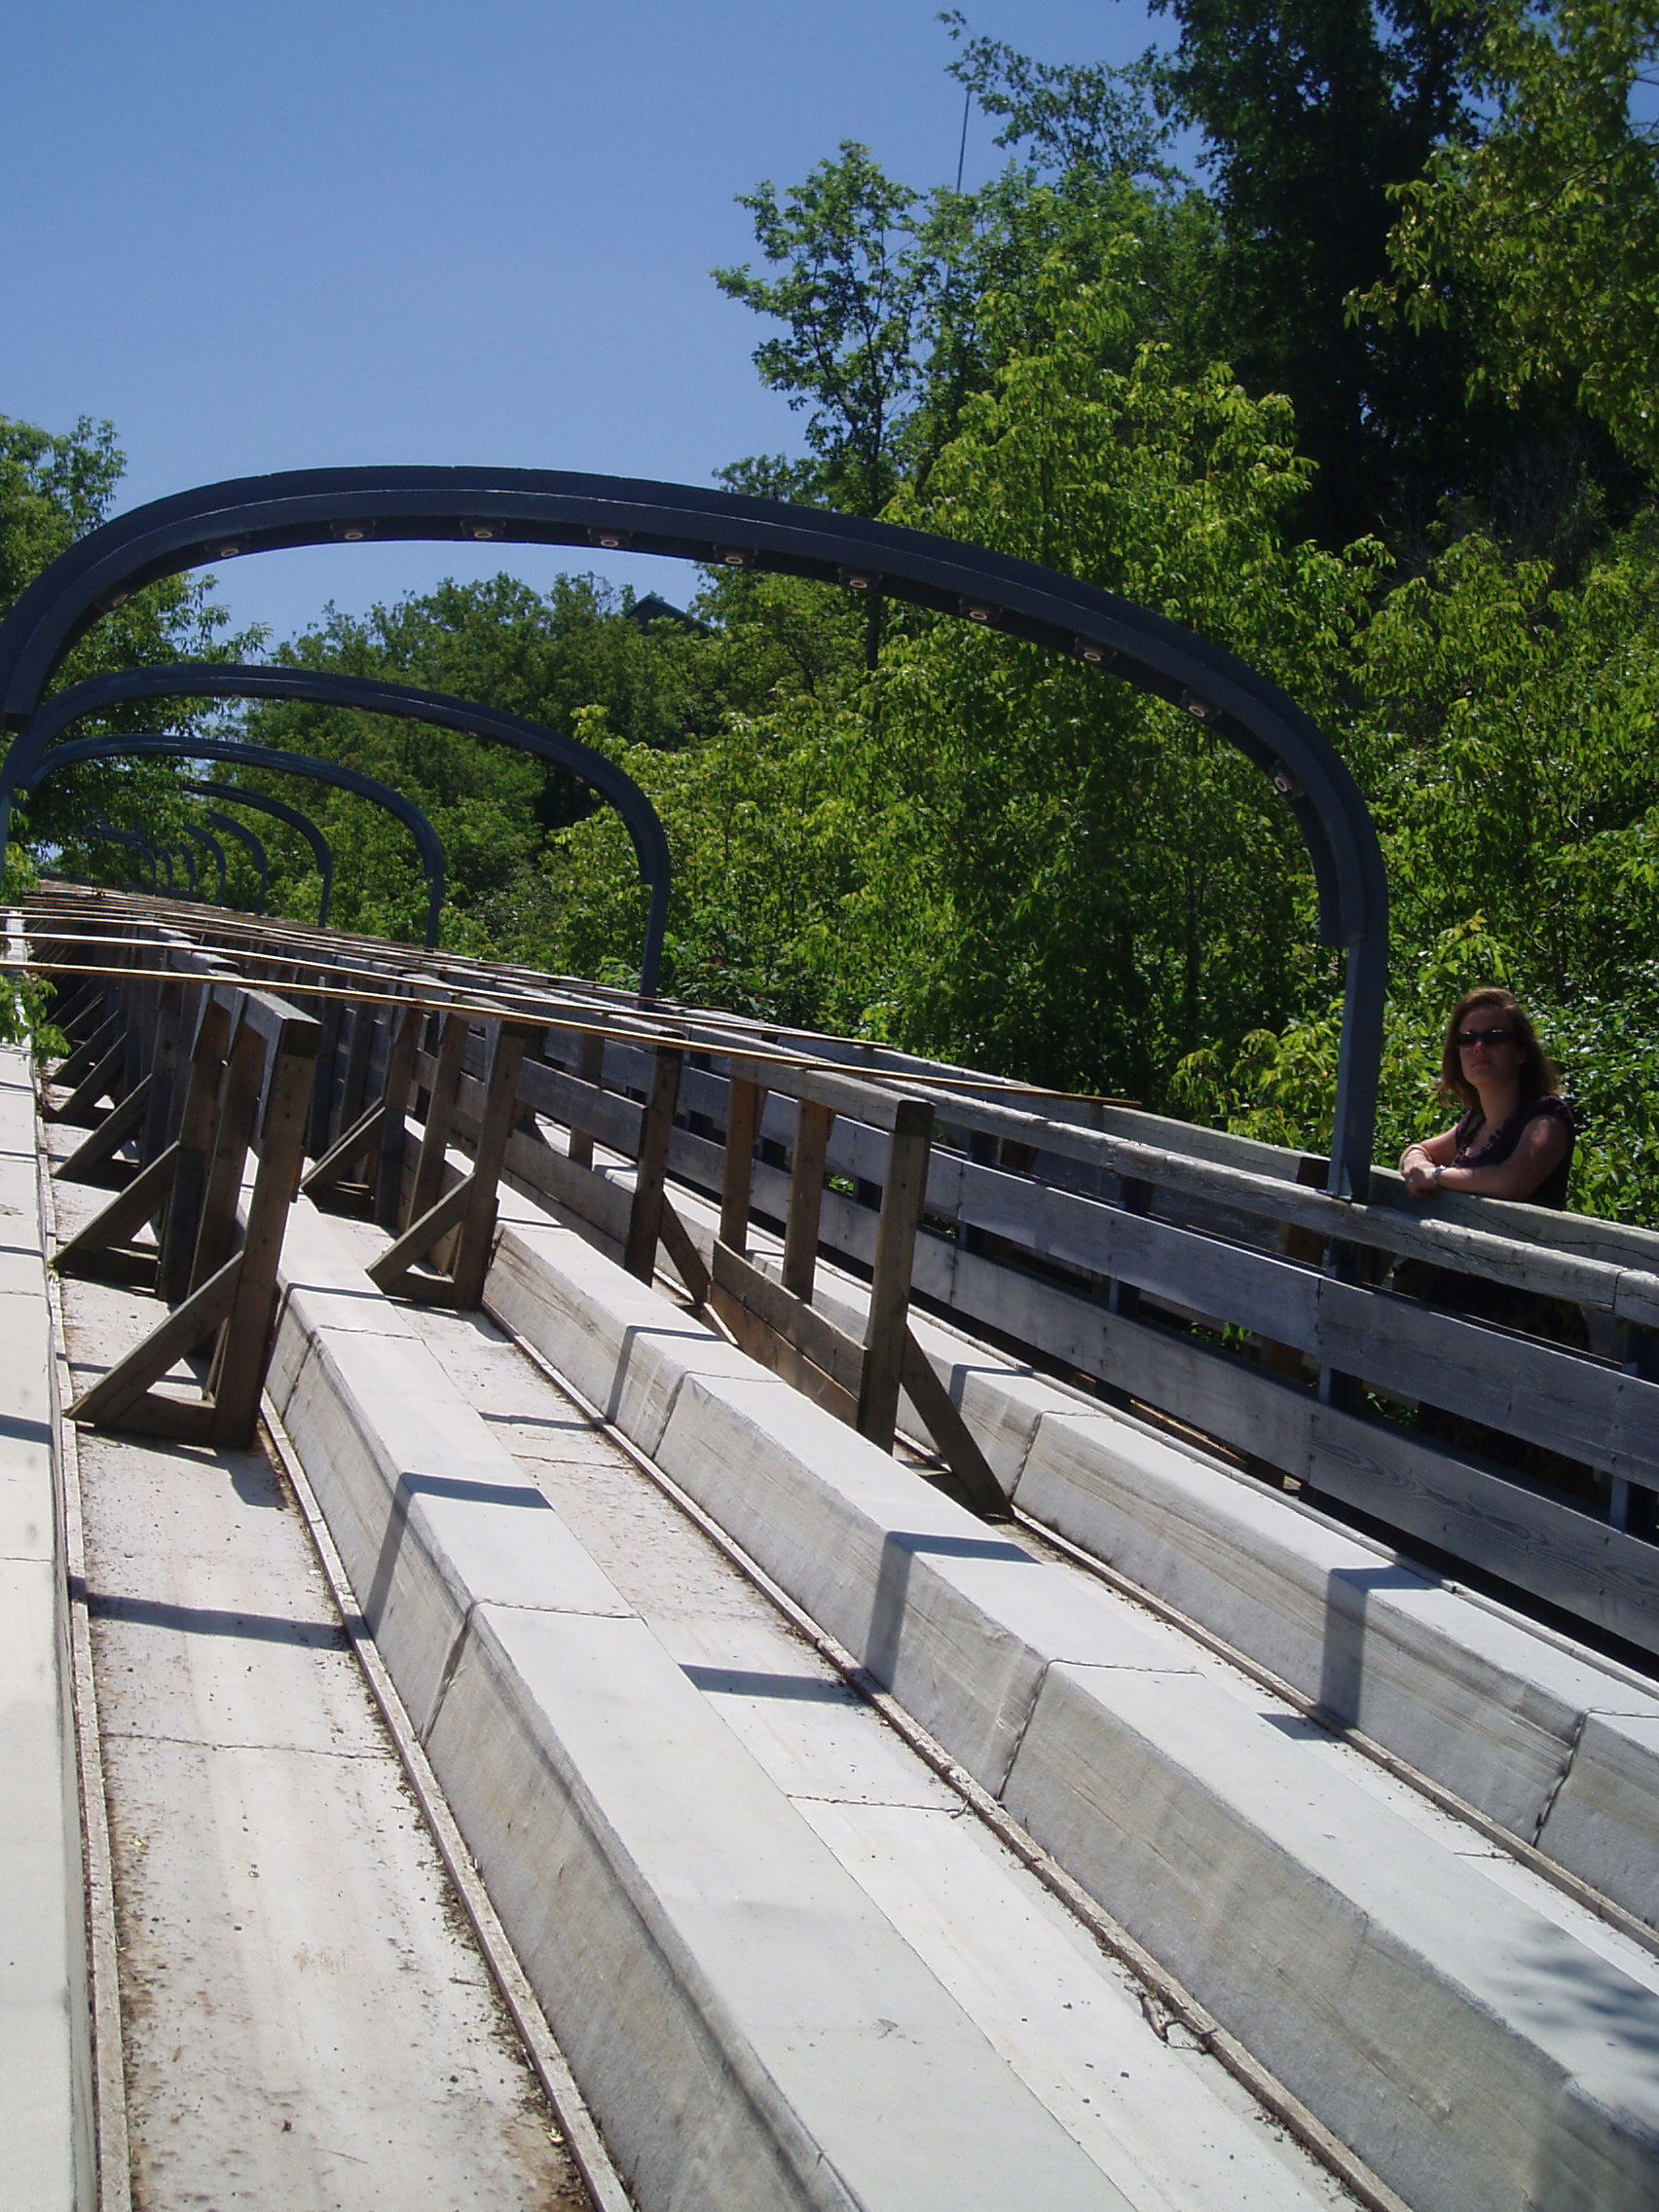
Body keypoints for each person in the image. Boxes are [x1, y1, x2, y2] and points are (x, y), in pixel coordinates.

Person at [1399, 987, 1574, 1208]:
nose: (1479, 1047)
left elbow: (1510, 1183)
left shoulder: (1547, 1118)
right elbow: (1417, 1150)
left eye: (1494, 1038)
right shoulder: (1475, 1122)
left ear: (1521, 1052)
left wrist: (1436, 1176)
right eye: (1467, 1039)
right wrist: (1417, 1165)